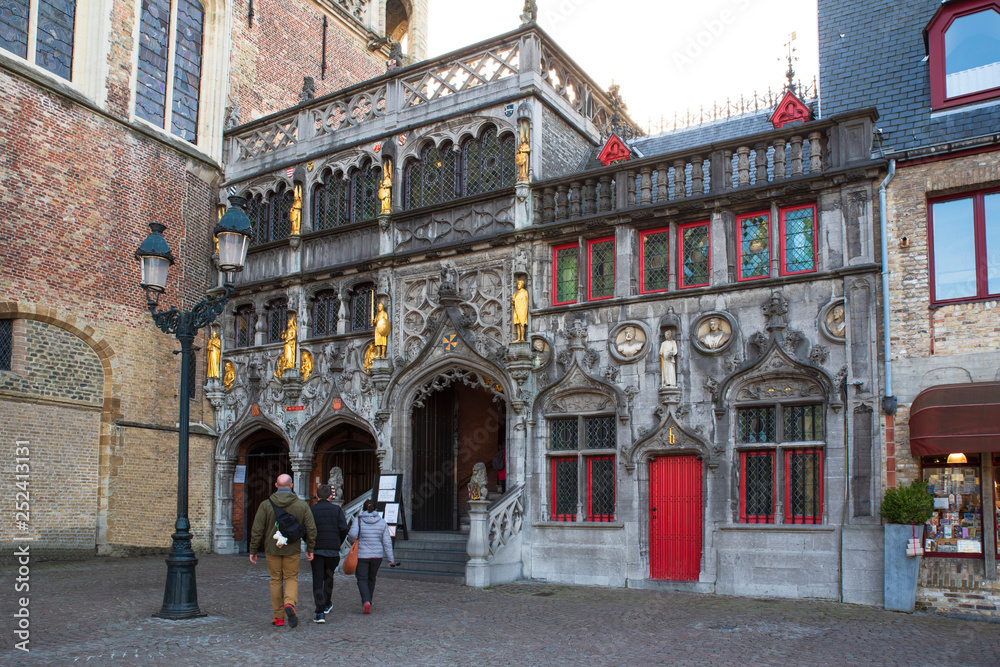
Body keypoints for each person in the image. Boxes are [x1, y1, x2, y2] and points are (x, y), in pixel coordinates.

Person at [249, 474, 317, 628]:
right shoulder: (301, 505)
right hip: (292, 548)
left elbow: (257, 529)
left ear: (276, 485)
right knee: (292, 577)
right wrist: (310, 548)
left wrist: (253, 549)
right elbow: (311, 528)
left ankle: (278, 617)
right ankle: (290, 603)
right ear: (291, 485)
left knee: (275, 580)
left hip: (272, 549)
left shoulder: (265, 505)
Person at [346, 499, 394, 614]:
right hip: (377, 556)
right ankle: (369, 601)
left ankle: (366, 601)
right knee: (371, 578)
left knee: (362, 579)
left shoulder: (359, 520)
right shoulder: (382, 522)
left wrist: (354, 541)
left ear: (363, 508)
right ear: (376, 509)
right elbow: (387, 542)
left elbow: (352, 535)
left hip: (362, 555)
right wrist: (390, 559)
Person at [310, 484, 349, 624]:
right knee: (329, 577)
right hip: (332, 549)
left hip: (317, 549)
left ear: (317, 495)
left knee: (317, 579)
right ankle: (326, 603)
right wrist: (337, 541)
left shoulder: (312, 510)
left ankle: (319, 612)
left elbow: (306, 529)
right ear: (330, 496)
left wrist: (310, 543)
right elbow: (344, 528)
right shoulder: (336, 510)